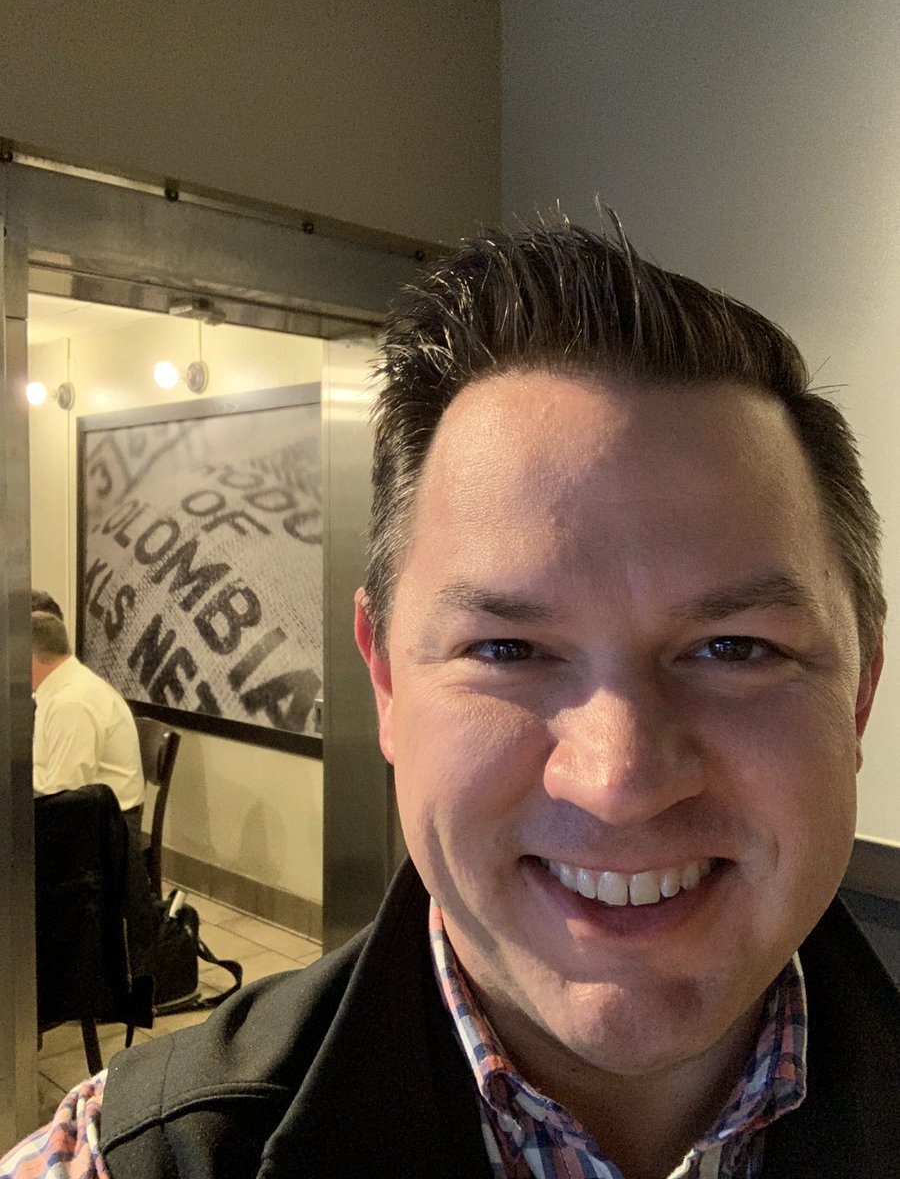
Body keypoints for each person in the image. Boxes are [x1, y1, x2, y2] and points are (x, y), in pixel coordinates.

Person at [4, 218, 898, 1177]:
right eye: (507, 649)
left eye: (734, 648)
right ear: (386, 680)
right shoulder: (133, 1158)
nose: (619, 781)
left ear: (858, 695)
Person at [31, 611, 144, 819]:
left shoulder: (72, 703)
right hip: (81, 811)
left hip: (104, 825)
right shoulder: (62, 687)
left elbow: (63, 797)